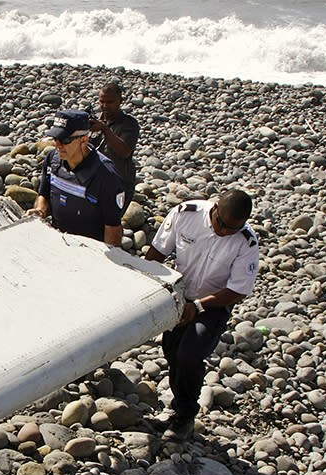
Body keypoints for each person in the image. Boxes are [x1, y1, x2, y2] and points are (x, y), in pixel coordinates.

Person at [145, 190, 260, 440]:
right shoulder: (187, 214)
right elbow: (157, 252)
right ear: (215, 208)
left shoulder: (246, 242)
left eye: (232, 229)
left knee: (190, 353)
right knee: (172, 351)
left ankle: (186, 415)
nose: (224, 231)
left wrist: (198, 306)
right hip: (179, 294)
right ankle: (177, 408)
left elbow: (238, 289)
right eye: (221, 224)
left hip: (213, 304)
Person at [29, 110, 126, 246]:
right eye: (55, 138)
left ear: (84, 140)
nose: (58, 145)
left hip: (90, 250)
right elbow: (43, 195)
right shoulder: (52, 160)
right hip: (58, 242)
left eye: (65, 140)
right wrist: (40, 212)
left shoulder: (106, 175)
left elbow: (113, 228)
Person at [90, 81, 140, 193]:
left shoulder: (129, 124)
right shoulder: (95, 121)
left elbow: (124, 152)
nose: (105, 106)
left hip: (119, 183)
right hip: (94, 180)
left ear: (120, 101)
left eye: (110, 102)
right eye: (102, 101)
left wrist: (105, 129)